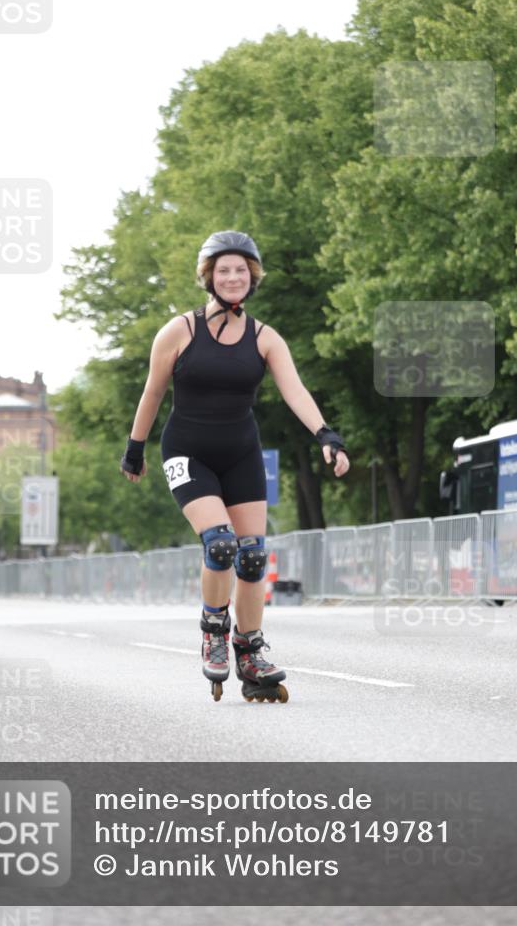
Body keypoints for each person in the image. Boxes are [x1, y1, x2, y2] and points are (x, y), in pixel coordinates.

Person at [120, 230, 350, 702]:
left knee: (252, 556)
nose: (232, 277)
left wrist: (326, 435)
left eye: (240, 270)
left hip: (241, 453)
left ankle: (249, 651)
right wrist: (135, 448)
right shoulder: (178, 331)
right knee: (221, 544)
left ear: (252, 276)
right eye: (223, 270)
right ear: (208, 277)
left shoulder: (265, 338)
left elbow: (295, 390)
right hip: (187, 452)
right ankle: (213, 631)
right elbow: (153, 392)